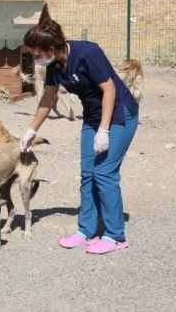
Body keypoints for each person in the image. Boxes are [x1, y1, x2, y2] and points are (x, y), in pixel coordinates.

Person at [19, 18, 139, 255]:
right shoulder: (54, 65)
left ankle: (116, 236)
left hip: (119, 114)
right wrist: (31, 130)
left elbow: (110, 89)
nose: (35, 59)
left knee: (104, 173)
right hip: (94, 117)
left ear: (51, 49)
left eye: (37, 54)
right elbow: (48, 98)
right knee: (87, 173)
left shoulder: (87, 53)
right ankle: (86, 230)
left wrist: (104, 131)